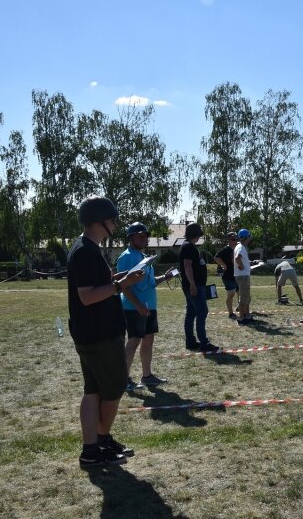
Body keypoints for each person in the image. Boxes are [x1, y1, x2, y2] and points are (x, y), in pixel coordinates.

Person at [68, 196, 144, 469]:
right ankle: (99, 441)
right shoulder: (85, 251)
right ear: (99, 221)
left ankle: (93, 448)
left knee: (93, 391)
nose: (115, 224)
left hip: (90, 333)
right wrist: (122, 285)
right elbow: (87, 296)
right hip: (99, 335)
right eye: (112, 219)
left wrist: (119, 280)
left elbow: (94, 285)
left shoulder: (87, 248)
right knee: (112, 390)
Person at [117, 222, 176, 392]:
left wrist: (165, 277)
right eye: (140, 235)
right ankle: (124, 380)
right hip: (133, 307)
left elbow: (150, 283)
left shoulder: (145, 257)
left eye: (145, 235)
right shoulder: (126, 257)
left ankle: (147, 376)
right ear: (131, 237)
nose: (144, 238)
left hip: (149, 306)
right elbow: (124, 286)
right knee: (134, 341)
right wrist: (138, 305)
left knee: (148, 340)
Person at [179, 222, 219, 352]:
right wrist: (192, 284)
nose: (199, 238)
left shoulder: (188, 246)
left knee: (191, 313)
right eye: (198, 235)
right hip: (194, 286)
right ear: (194, 235)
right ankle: (203, 342)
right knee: (202, 311)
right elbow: (187, 266)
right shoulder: (188, 247)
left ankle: (190, 341)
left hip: (194, 285)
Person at [215, 232, 239, 320]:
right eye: (233, 239)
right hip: (228, 276)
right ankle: (230, 313)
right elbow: (216, 257)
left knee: (239, 292)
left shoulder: (237, 249)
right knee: (231, 294)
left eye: (236, 239)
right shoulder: (225, 249)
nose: (235, 241)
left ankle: (240, 307)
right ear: (229, 240)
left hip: (237, 275)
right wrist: (224, 265)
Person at [233, 228, 254, 324]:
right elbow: (237, 258)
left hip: (243, 275)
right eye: (249, 237)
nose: (250, 239)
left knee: (246, 297)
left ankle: (247, 315)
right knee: (244, 297)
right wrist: (241, 266)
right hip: (243, 276)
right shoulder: (241, 247)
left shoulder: (241, 247)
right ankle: (241, 318)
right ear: (246, 237)